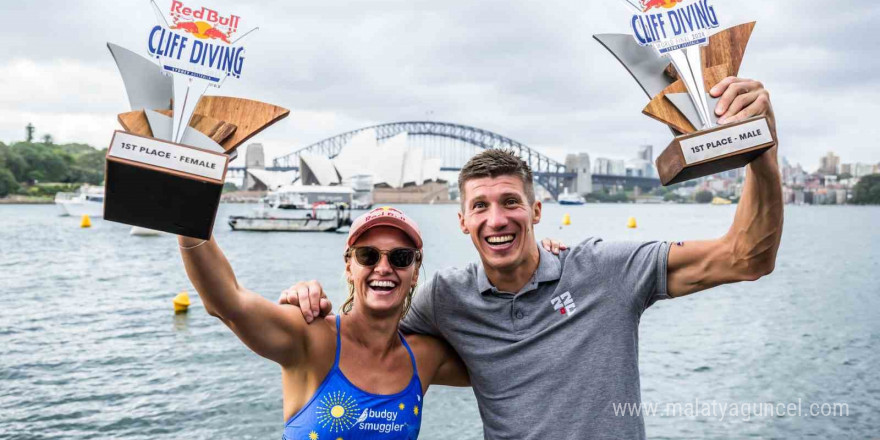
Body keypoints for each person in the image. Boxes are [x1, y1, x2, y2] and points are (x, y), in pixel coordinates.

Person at [281, 77, 782, 439]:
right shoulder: (445, 297)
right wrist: (309, 298)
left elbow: (746, 257)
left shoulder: (607, 270)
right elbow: (369, 331)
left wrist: (761, 148)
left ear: (537, 211)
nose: (496, 219)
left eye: (510, 203)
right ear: (462, 222)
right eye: (480, 206)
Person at [178, 207, 471, 439]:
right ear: (348, 266)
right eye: (367, 255)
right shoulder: (311, 336)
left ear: (415, 271)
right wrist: (189, 212)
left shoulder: (424, 358)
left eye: (401, 257)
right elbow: (228, 302)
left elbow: (500, 363)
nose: (383, 268)